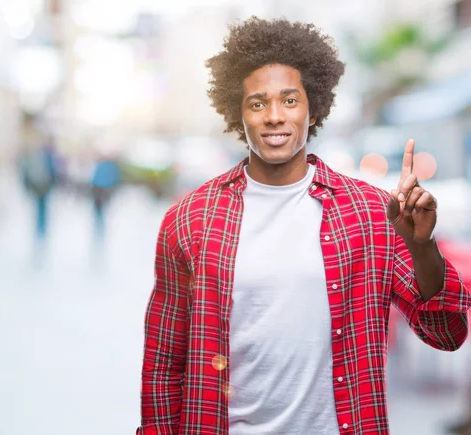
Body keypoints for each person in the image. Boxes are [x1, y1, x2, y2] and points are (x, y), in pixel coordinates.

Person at [137, 17, 470, 435]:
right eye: (257, 103)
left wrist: (423, 246)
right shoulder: (190, 220)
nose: (274, 116)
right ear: (237, 114)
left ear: (313, 108)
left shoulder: (371, 213)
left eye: (289, 100)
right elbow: (164, 364)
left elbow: (447, 333)